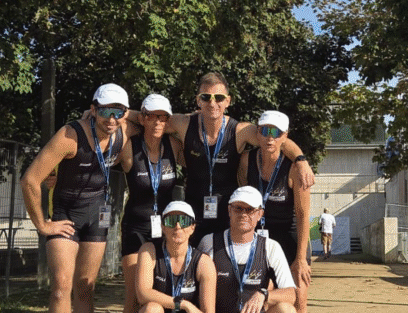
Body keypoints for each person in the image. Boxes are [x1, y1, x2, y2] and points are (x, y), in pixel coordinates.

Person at [21, 83, 129, 313]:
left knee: (85, 286)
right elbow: (30, 179)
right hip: (65, 217)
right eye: (105, 111)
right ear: (93, 109)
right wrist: (43, 224)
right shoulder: (70, 135)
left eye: (118, 112)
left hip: (97, 220)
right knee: (61, 287)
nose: (112, 118)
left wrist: (126, 115)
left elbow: (151, 118)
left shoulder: (122, 133)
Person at [132, 72, 314, 246]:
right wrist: (120, 114)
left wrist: (300, 159)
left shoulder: (240, 131)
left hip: (228, 214)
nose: (212, 103)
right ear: (198, 100)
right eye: (206, 97)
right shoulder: (184, 124)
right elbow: (148, 120)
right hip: (194, 211)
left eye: (218, 98)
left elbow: (277, 139)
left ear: (228, 101)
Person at [115, 93, 184, 313]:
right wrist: (136, 120)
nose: (157, 121)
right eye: (151, 115)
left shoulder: (174, 146)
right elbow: (119, 124)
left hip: (165, 232)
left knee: (157, 296)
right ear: (142, 116)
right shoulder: (130, 147)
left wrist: (166, 127)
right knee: (134, 299)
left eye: (162, 117)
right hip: (137, 229)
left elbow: (187, 127)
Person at [238, 110, 311, 313]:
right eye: (265, 131)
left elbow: (304, 216)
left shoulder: (293, 167)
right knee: (265, 296)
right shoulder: (247, 161)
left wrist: (301, 258)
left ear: (285, 137)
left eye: (276, 132)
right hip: (261, 239)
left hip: (290, 238)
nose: (269, 138)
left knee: (299, 299)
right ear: (257, 134)